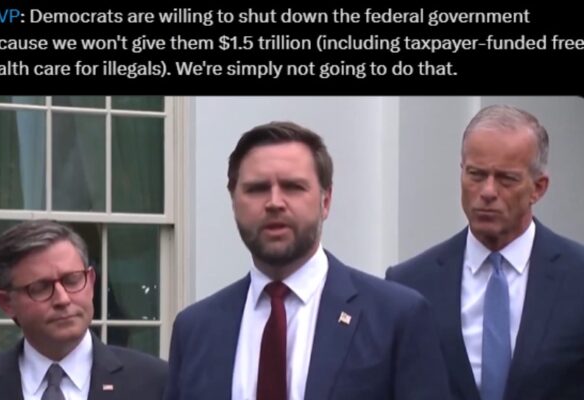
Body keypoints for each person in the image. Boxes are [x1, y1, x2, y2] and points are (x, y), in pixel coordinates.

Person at [164, 121, 451, 400]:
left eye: (293, 187)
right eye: (257, 188)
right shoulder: (195, 329)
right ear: (233, 201)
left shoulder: (395, 317)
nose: (274, 202)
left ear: (325, 201)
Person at [387, 104, 584, 400]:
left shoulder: (577, 278)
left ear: (538, 188)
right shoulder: (410, 284)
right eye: (476, 175)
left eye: (506, 179)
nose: (488, 191)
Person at [0, 219, 168, 399]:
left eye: (72, 280)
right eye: (41, 288)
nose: (63, 299)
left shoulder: (155, 382)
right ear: (6, 303)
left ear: (91, 282)